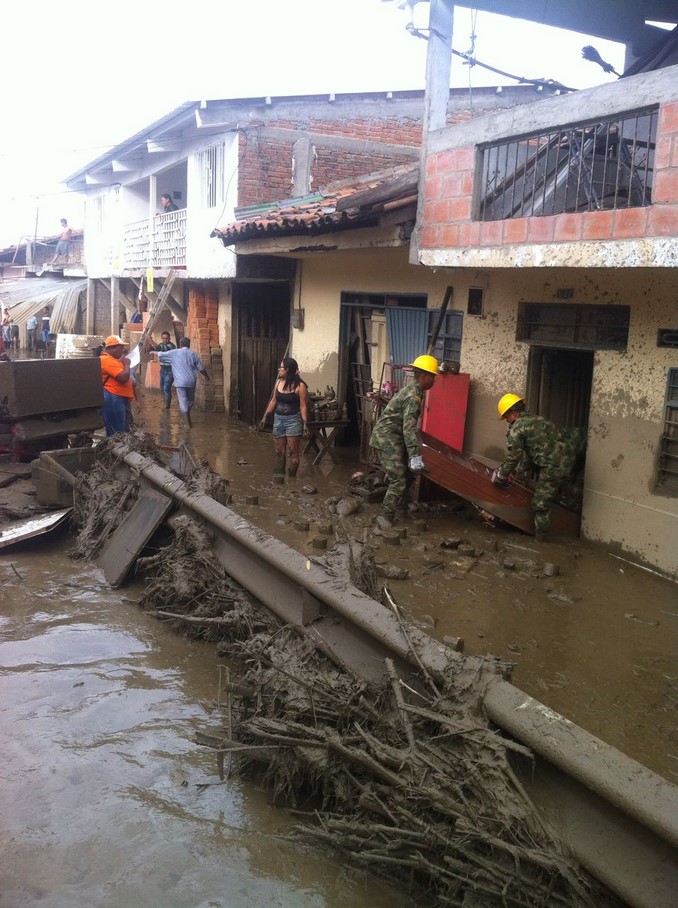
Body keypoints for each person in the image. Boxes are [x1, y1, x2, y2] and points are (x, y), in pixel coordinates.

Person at [491, 393, 586, 540]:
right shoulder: (539, 419)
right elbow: (534, 450)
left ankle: (540, 540)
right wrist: (520, 474)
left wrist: (502, 475)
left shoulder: (517, 429)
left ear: (513, 413)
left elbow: (514, 456)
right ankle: (571, 505)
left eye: (506, 417)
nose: (507, 421)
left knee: (540, 504)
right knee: (558, 489)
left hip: (552, 466)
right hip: (569, 459)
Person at [369, 354, 439, 529]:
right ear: (424, 377)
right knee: (399, 479)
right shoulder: (414, 396)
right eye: (433, 376)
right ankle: (386, 515)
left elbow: (409, 428)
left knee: (407, 474)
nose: (435, 380)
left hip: (393, 436)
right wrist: (415, 455)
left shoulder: (414, 390)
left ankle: (402, 507)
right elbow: (409, 428)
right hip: (387, 438)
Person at [259, 357, 309, 477]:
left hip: (293, 421)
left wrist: (305, 424)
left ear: (288, 370)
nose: (279, 370)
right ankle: (279, 481)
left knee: (293, 453)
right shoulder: (278, 382)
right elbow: (273, 401)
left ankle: (292, 481)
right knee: (279, 452)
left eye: (281, 368)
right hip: (278, 420)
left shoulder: (300, 386)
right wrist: (265, 417)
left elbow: (303, 406)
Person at [150, 337, 208, 428]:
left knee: (183, 401)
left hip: (180, 382)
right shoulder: (193, 354)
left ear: (180, 344)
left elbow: (161, 354)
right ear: (189, 345)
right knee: (190, 401)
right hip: (191, 381)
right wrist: (207, 376)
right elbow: (201, 368)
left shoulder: (174, 352)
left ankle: (187, 423)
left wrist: (152, 352)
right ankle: (186, 417)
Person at [99, 335, 133, 436]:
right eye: (121, 348)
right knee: (116, 434)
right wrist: (127, 364)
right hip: (113, 399)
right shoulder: (107, 360)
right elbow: (123, 378)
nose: (122, 351)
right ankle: (115, 450)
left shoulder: (111, 360)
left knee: (121, 432)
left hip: (117, 398)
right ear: (114, 348)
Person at [146, 330, 177, 409]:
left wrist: (151, 341)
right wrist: (150, 342)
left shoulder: (171, 346)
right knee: (162, 388)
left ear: (169, 338)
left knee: (166, 388)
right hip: (163, 370)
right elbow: (157, 348)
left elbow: (161, 350)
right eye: (163, 338)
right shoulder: (161, 345)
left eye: (166, 338)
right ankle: (165, 402)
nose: (165, 340)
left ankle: (167, 406)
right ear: (161, 338)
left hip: (170, 371)